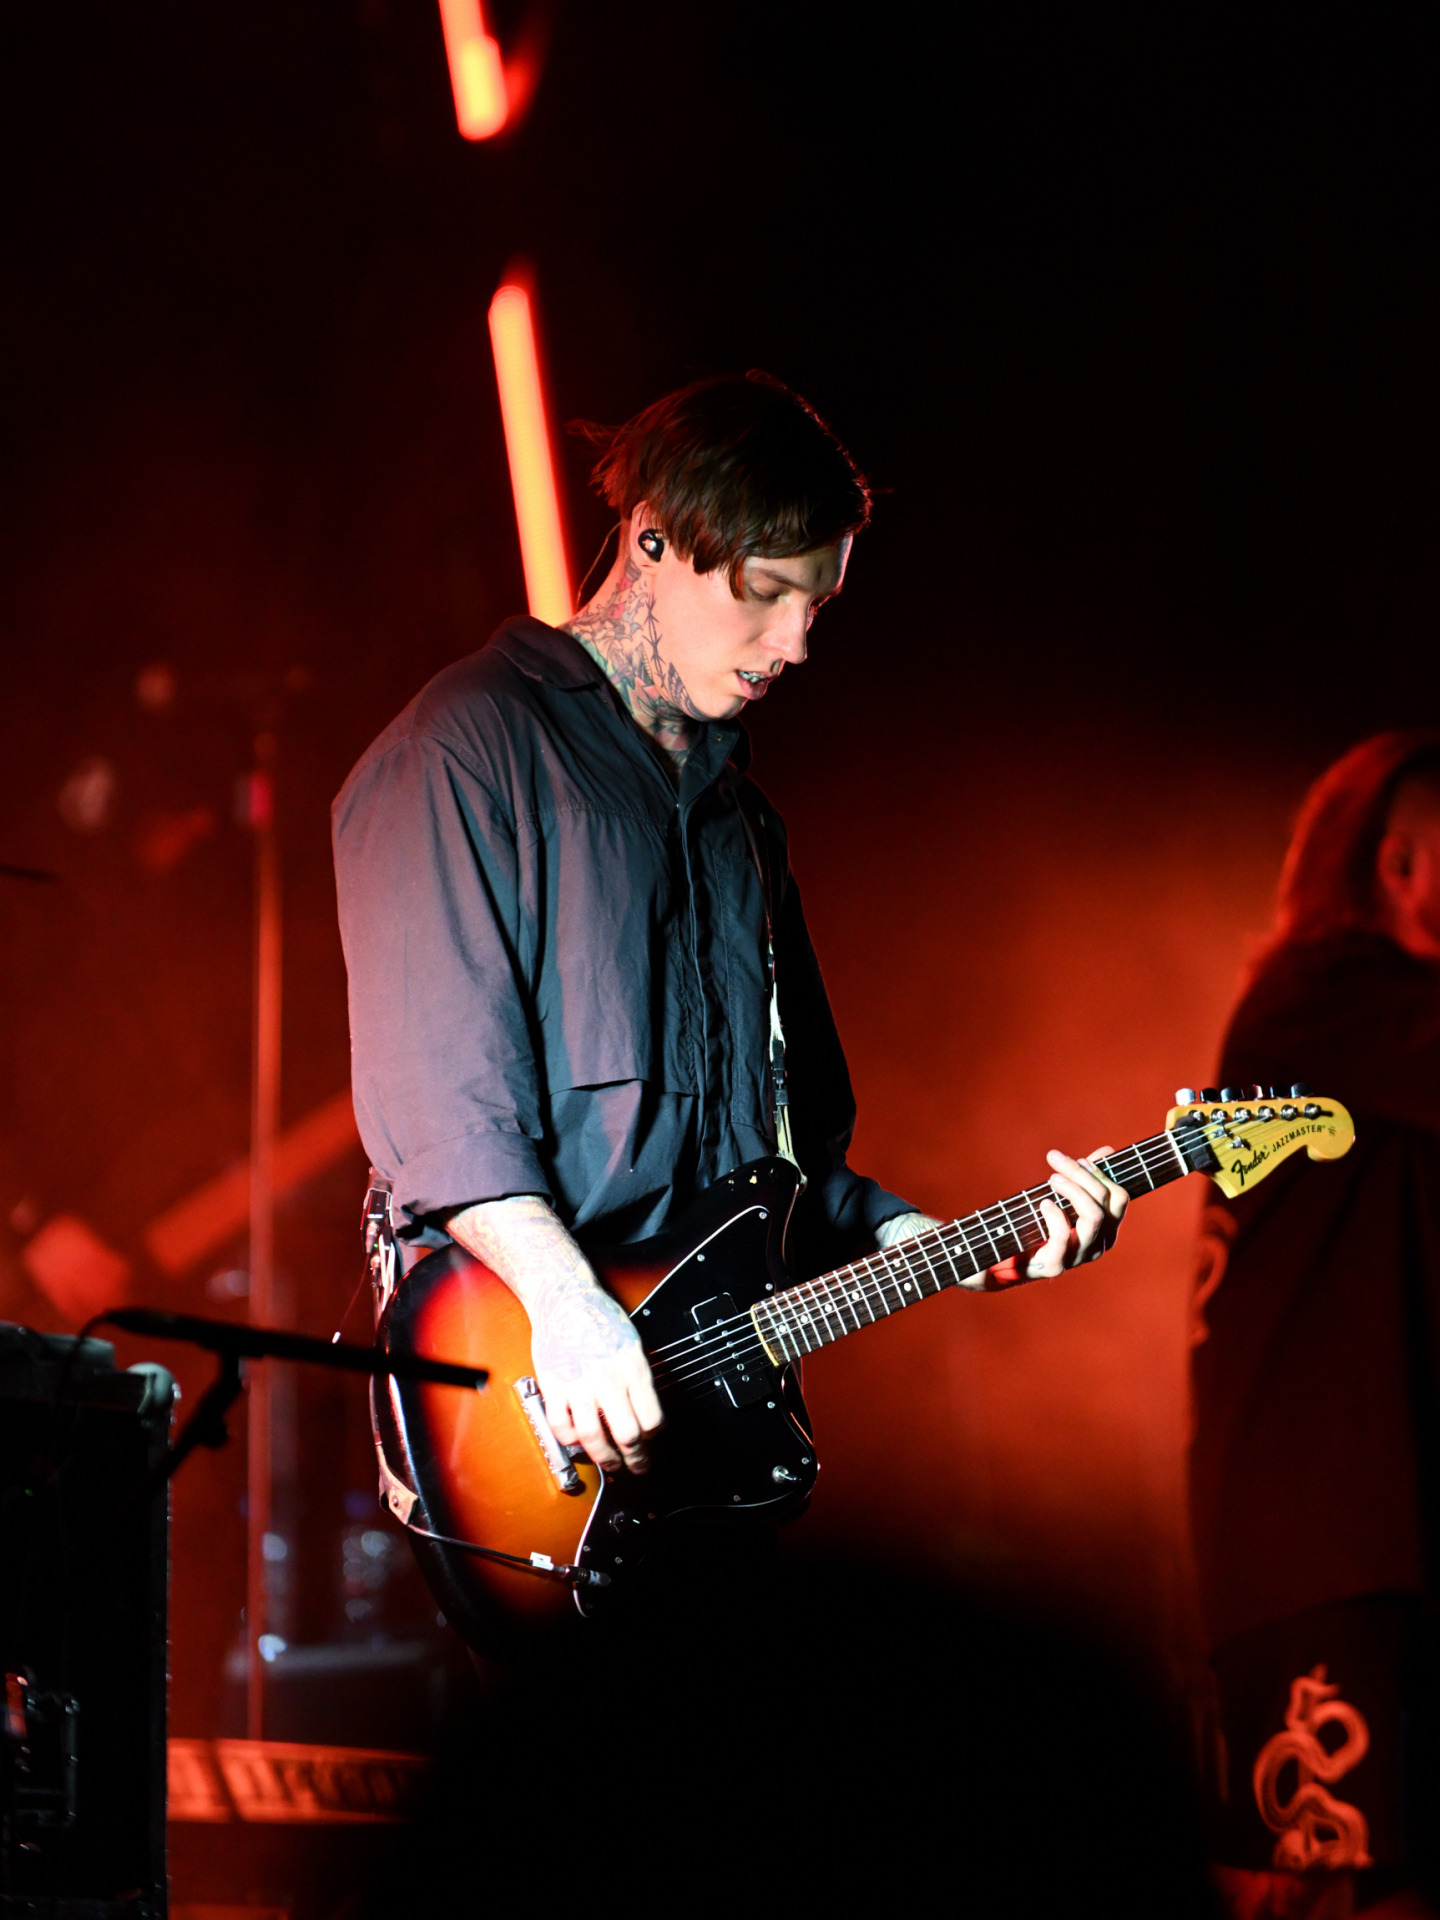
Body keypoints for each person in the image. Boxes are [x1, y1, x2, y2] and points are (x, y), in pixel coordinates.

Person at [333, 371, 1127, 1523]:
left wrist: (961, 1245)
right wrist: (571, 1306)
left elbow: (787, 1177)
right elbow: (444, 1119)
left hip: (717, 1460)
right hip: (529, 1435)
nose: (796, 644)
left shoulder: (745, 825)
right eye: (764, 594)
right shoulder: (462, 751)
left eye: (820, 605)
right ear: (652, 540)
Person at [1189, 731, 1440, 1919]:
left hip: (1388, 1544)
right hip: (1329, 1556)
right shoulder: (1317, 1007)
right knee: (1338, 1896)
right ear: (1400, 864)